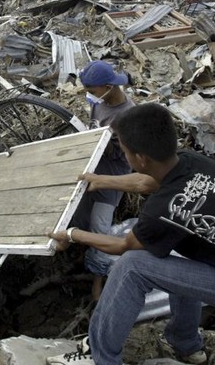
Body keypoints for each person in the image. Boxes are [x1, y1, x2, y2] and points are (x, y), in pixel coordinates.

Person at [47, 103, 215, 365]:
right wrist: (101, 180)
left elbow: (123, 245)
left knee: (132, 267)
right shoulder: (189, 161)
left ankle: (99, 357)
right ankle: (186, 345)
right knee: (178, 252)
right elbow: (147, 181)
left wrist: (71, 234)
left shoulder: (163, 209)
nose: (125, 158)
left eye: (125, 152)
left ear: (140, 159)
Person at [70, 60, 135, 302]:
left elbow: (129, 154)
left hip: (112, 177)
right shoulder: (102, 102)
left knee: (101, 228)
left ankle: (98, 281)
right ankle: (82, 256)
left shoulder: (128, 115)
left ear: (108, 86)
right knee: (82, 216)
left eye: (91, 91)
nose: (90, 97)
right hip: (93, 167)